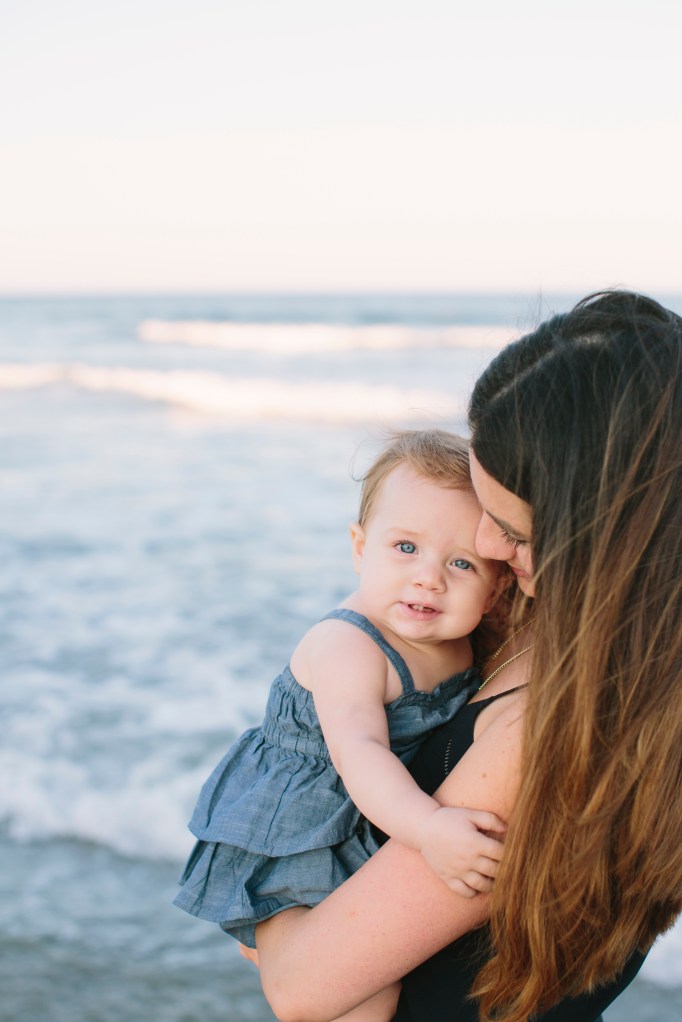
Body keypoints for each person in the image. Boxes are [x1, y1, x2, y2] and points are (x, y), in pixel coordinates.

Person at [247, 290, 682, 1022]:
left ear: (605, 534)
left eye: (514, 531)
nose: (484, 546)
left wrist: (259, 891)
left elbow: (300, 987)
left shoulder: (549, 727)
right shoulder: (569, 631)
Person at [174, 430, 509, 1002]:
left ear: (497, 589)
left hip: (374, 813)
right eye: (405, 547)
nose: (429, 577)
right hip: (304, 827)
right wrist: (430, 830)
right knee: (364, 999)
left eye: (461, 563)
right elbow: (361, 754)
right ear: (359, 548)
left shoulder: (460, 638)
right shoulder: (348, 646)